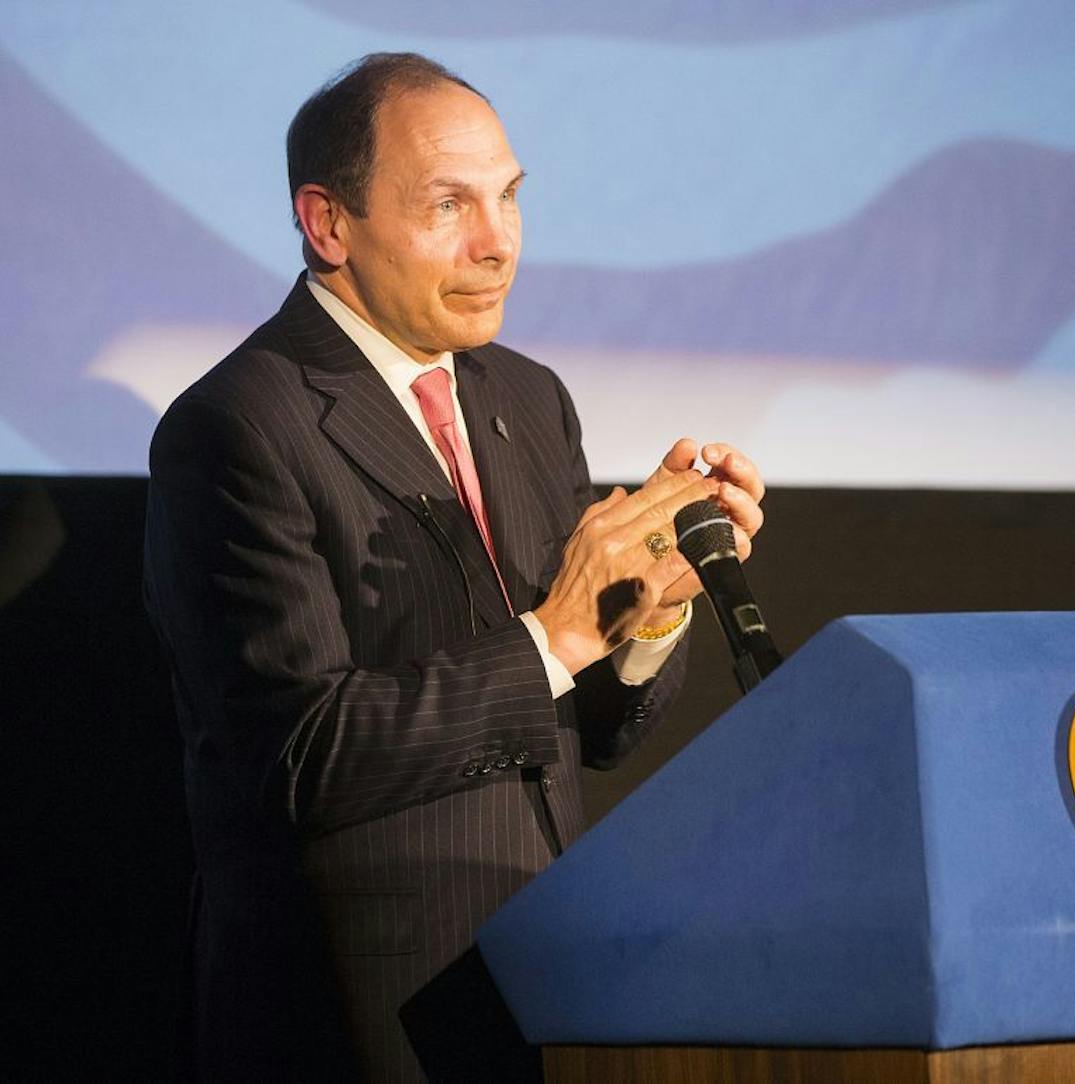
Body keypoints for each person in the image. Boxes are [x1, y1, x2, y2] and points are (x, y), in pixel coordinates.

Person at [143, 52, 765, 1081]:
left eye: (510, 197)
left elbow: (590, 732)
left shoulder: (528, 397)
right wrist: (558, 632)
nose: (499, 243)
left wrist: (649, 606)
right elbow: (299, 755)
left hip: (545, 992)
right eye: (449, 205)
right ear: (328, 222)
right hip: (355, 1017)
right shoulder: (237, 425)